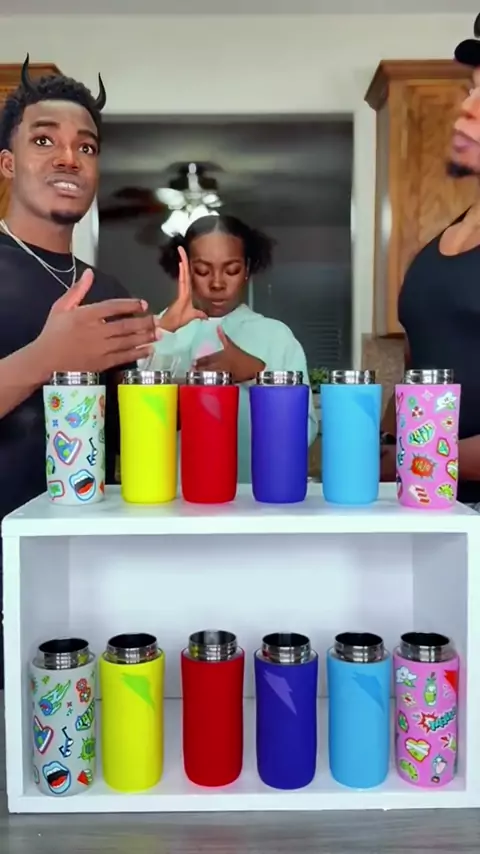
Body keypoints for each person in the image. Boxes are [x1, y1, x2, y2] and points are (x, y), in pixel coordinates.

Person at [0, 57, 200, 684]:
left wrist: (161, 355)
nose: (68, 158)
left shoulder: (105, 290)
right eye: (44, 141)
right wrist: (46, 358)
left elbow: (123, 439)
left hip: (85, 572)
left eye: (85, 147)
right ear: (7, 164)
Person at [380, 20, 480, 508]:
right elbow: (420, 360)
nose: (469, 107)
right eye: (473, 88)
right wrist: (383, 441)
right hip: (432, 502)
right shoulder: (446, 236)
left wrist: (419, 457)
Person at [144, 213, 318, 483]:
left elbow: (304, 433)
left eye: (232, 270)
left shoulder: (277, 337)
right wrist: (164, 333)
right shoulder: (163, 330)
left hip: (257, 496)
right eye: (203, 271)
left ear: (247, 268)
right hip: (178, 497)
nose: (217, 283)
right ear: (186, 270)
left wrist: (258, 374)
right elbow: (142, 424)